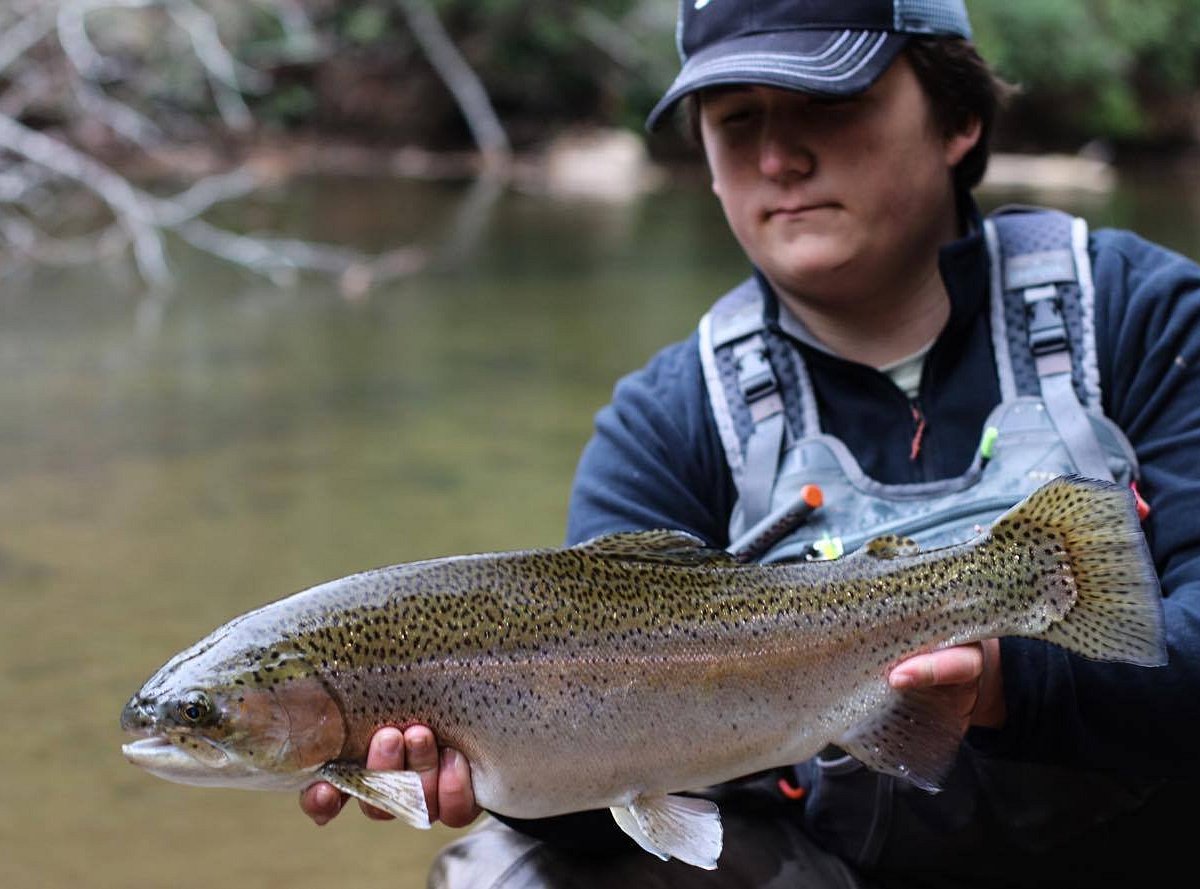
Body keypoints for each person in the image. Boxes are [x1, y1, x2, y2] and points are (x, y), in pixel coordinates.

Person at [301, 1, 1200, 886]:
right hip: (831, 869)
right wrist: (484, 755)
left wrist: (1008, 681)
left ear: (959, 118)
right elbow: (617, 804)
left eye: (829, 104)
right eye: (737, 123)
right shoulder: (667, 417)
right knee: (504, 867)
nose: (778, 158)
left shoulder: (1141, 314)